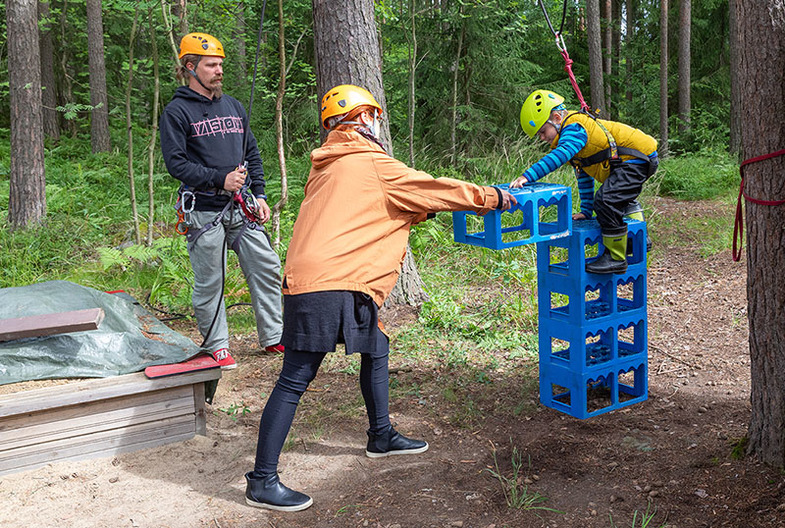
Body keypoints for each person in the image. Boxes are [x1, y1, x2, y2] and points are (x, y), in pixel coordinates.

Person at [243, 84, 517, 512]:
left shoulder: (329, 167)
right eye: (373, 116)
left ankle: (381, 434)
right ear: (364, 120)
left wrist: (417, 207)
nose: (376, 123)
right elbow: (434, 188)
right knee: (295, 378)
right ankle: (262, 480)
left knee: (378, 343)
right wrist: (492, 197)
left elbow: (378, 209)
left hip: (313, 278)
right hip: (333, 282)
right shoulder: (373, 163)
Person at [159, 32, 284, 369]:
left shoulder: (233, 106)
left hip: (242, 207)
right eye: (211, 65)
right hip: (202, 210)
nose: (219, 71)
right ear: (190, 67)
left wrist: (259, 193)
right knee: (210, 280)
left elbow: (252, 153)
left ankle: (274, 336)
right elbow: (176, 164)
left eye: (220, 65)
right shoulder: (176, 111)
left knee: (267, 267)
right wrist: (220, 179)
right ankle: (217, 344)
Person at [510, 90, 658, 274]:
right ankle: (638, 241)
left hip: (636, 158)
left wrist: (527, 176)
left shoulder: (574, 129)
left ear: (556, 118)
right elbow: (584, 176)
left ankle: (616, 257)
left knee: (606, 201)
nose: (542, 138)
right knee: (617, 197)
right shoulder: (571, 138)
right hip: (634, 159)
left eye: (542, 131)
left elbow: (558, 157)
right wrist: (586, 211)